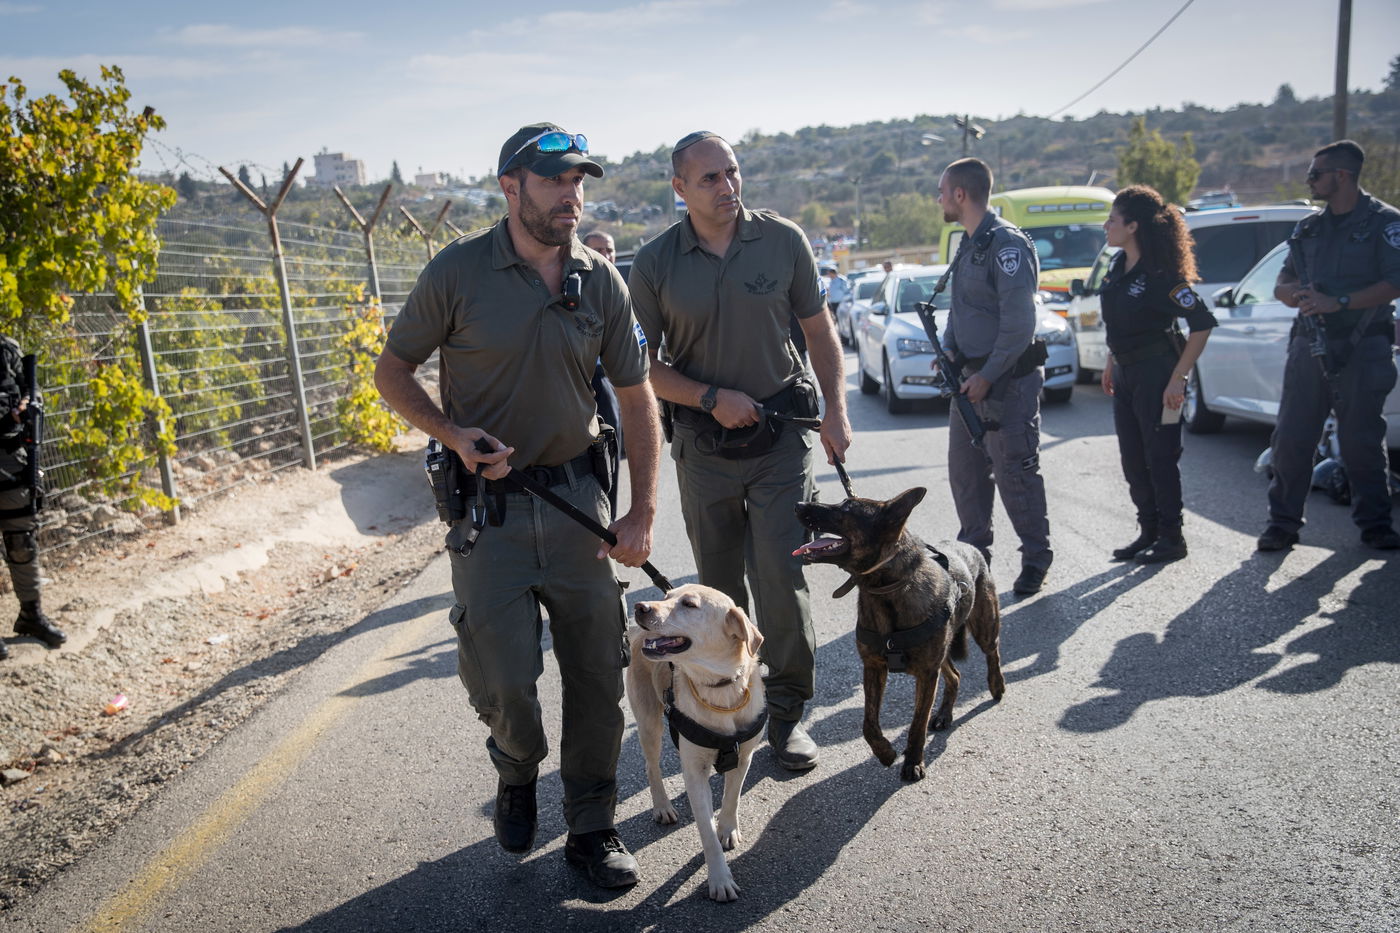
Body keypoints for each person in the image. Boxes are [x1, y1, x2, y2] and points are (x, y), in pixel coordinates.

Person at [373, 123, 662, 888]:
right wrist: (451, 433)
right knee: (502, 678)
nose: (572, 195)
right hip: (488, 510)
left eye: (579, 181)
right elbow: (392, 371)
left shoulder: (600, 278)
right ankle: (517, 766)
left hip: (580, 504)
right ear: (511, 187)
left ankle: (593, 826)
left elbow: (637, 399)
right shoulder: (457, 272)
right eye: (555, 180)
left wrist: (640, 513)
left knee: (598, 672)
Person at [629, 131, 852, 772]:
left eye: (732, 173)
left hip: (782, 440)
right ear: (680, 189)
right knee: (718, 592)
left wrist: (835, 410)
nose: (726, 187)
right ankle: (720, 716)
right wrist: (707, 396)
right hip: (704, 447)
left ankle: (784, 715)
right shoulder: (655, 263)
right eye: (709, 179)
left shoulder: (783, 240)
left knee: (781, 577)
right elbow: (640, 364)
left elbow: (818, 330)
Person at [1258, 139, 1400, 552]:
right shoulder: (1309, 228)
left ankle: (1375, 525)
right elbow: (1282, 283)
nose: (1310, 181)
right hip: (1309, 346)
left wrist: (1338, 302)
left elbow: (1395, 282)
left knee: (1361, 442)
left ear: (1342, 176)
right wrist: (1296, 295)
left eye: (1315, 174)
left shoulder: (1384, 223)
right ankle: (1282, 525)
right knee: (1291, 439)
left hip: (1362, 347)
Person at [935, 157, 1053, 595]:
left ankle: (1036, 558)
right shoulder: (969, 242)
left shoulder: (1006, 245)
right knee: (966, 476)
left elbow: (1019, 323)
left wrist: (987, 374)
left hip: (1007, 383)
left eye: (943, 191)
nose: (940, 199)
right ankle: (974, 560)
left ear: (961, 195)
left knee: (1015, 473)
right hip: (968, 382)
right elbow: (962, 309)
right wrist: (949, 349)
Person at [1098, 185, 1217, 564]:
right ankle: (1148, 531)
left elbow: (1201, 323)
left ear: (1132, 226)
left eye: (1113, 220)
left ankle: (1172, 537)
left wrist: (1179, 378)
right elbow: (1118, 325)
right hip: (1127, 372)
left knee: (1160, 457)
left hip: (1157, 373)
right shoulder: (1118, 267)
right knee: (1133, 459)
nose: (1106, 226)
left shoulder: (1161, 275)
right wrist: (1111, 362)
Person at [1, 336, 66, 661]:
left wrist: (28, 403)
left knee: (21, 542)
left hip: (12, 458)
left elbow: (30, 388)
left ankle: (30, 615)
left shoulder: (6, 348)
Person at [583, 230, 623, 515]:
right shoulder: (572, 287)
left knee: (610, 454)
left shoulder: (617, 287)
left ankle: (610, 518)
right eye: (598, 249)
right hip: (583, 379)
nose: (605, 255)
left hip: (612, 380)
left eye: (609, 249)